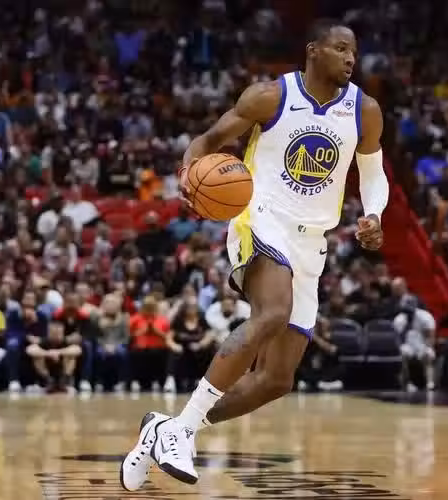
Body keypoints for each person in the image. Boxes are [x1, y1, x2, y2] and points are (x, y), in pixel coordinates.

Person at [121, 19, 389, 491]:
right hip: (260, 218)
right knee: (273, 312)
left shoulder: (364, 111)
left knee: (276, 380)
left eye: (354, 51)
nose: (350, 58)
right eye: (340, 48)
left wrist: (374, 214)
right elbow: (207, 141)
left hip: (312, 240)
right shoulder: (270, 97)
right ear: (313, 50)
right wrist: (188, 175)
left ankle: (171, 428)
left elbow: (372, 174)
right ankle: (180, 433)